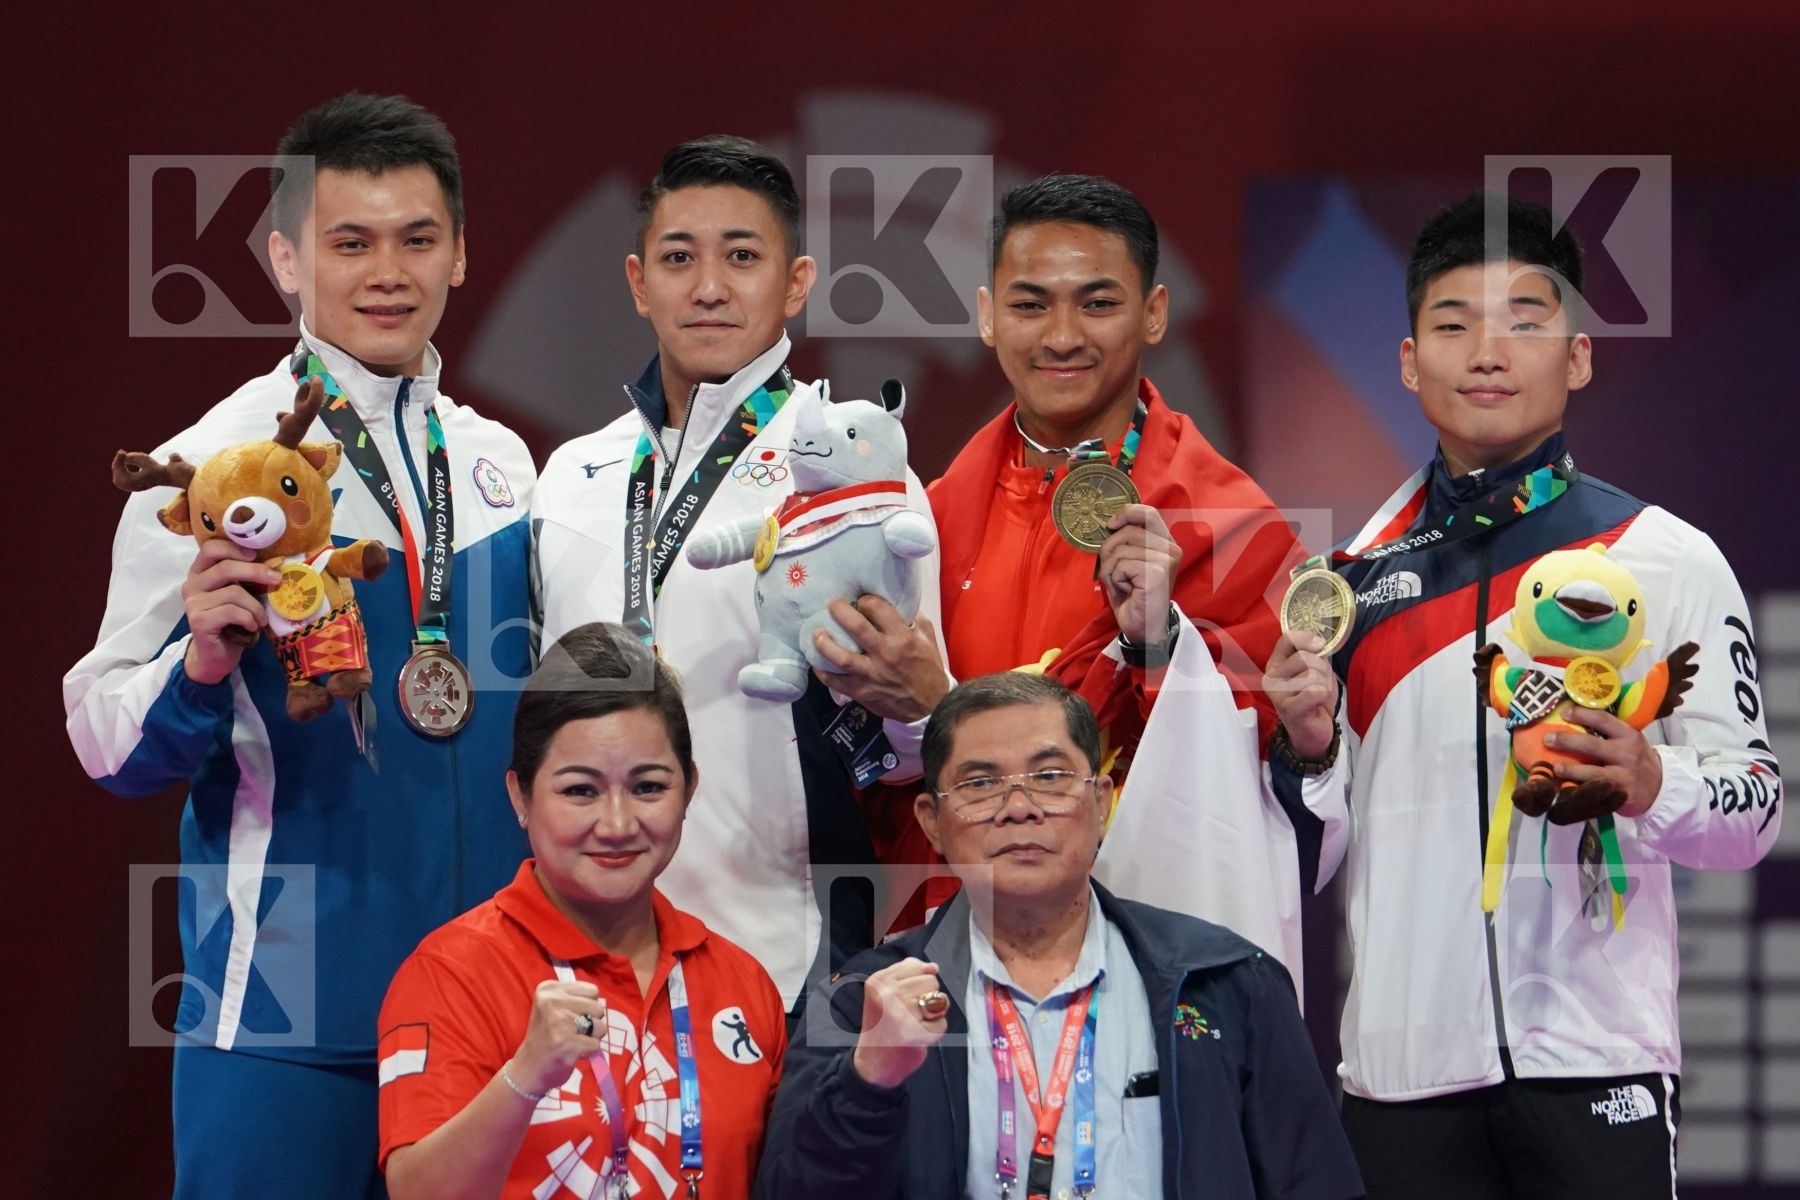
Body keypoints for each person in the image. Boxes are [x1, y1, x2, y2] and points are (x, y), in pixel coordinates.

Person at [1262, 192, 1782, 1196]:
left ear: (1578, 357)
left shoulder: (1665, 558)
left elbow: (1752, 810)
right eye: (1453, 325)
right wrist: (1313, 743)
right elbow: (1312, 858)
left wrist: (1648, 778)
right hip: (1402, 1076)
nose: (1487, 352)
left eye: (1526, 322)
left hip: (1598, 1063)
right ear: (1410, 363)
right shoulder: (1348, 586)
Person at [64, 93, 535, 1197]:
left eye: (418, 239)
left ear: (461, 255)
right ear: (285, 259)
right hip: (285, 1016)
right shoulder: (207, 473)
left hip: (488, 1016)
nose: (388, 271)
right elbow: (100, 738)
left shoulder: (504, 466)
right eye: (350, 242)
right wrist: (202, 664)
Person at [832, 174, 1338, 980]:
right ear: (987, 315)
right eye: (1031, 304)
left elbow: (1284, 779)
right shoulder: (922, 525)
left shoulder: (1231, 521)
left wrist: (1158, 647)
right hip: (960, 943)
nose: (1062, 336)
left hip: (1152, 940)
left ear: (1155, 312)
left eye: (1097, 303)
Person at [533, 135, 947, 1013]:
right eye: (680, 258)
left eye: (742, 257)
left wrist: (923, 706)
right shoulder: (570, 476)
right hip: (583, 954)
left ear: (795, 283)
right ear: (640, 282)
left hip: (784, 946)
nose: (710, 286)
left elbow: (910, 752)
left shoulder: (859, 474)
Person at [756, 671, 1364, 1199]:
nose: (1018, 807)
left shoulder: (1228, 981)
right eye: (979, 784)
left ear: (1101, 804)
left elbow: (1317, 1184)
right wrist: (868, 1082)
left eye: (1049, 776)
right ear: (932, 823)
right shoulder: (858, 1000)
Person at [379, 623, 786, 1200]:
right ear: (520, 796)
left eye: (648, 787)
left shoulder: (742, 984)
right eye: (580, 791)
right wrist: (524, 1077)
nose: (617, 825)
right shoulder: (450, 974)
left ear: (690, 789)